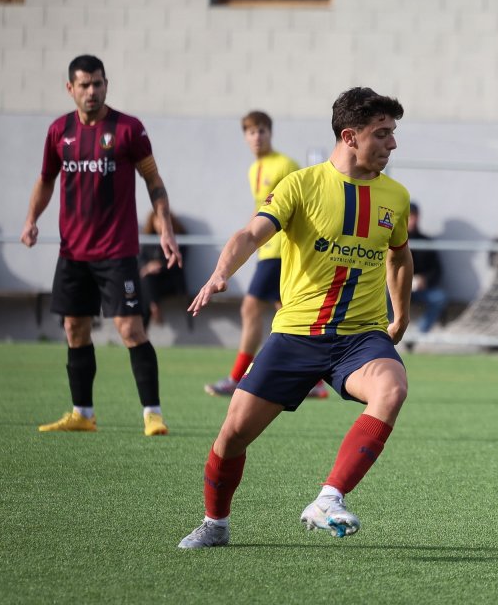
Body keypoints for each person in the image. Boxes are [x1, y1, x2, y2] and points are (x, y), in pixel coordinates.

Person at [178, 87, 413, 550]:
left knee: (392, 389)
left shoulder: (396, 198)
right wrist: (221, 272)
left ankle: (329, 498)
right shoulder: (300, 186)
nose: (392, 144)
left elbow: (399, 256)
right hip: (295, 336)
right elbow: (250, 233)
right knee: (232, 436)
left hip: (360, 337)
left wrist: (400, 316)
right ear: (350, 136)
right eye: (382, 134)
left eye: (393, 133)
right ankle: (215, 523)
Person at [21, 54, 181, 437]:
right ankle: (83, 413)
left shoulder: (128, 129)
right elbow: (46, 180)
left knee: (130, 329)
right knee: (74, 328)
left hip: (117, 252)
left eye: (98, 83)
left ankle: (152, 414)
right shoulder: (59, 131)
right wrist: (31, 220)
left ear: (106, 84)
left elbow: (153, 181)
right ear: (70, 89)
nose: (92, 91)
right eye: (84, 85)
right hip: (72, 253)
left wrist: (165, 228)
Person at [203, 111, 329, 398]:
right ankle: (317, 379)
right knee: (289, 313)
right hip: (266, 251)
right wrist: (247, 239)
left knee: (250, 308)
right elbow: (263, 210)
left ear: (270, 133)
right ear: (245, 137)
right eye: (251, 132)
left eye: (262, 130)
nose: (257, 136)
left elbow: (301, 207)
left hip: (281, 251)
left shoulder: (286, 165)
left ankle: (237, 378)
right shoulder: (253, 169)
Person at [139, 212, 189, 329]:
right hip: (151, 283)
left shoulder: (178, 239)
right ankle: (154, 306)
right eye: (157, 221)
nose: (160, 225)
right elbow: (140, 260)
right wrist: (147, 267)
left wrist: (159, 266)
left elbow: (178, 263)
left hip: (170, 281)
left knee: (146, 288)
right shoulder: (148, 240)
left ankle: (143, 328)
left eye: (163, 221)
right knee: (146, 282)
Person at [407, 202, 448, 334]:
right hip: (394, 290)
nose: (411, 220)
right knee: (386, 297)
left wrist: (424, 280)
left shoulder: (426, 242)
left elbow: (436, 270)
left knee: (439, 297)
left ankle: (419, 333)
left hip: (419, 289)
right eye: (408, 216)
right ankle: (386, 333)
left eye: (414, 216)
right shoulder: (391, 240)